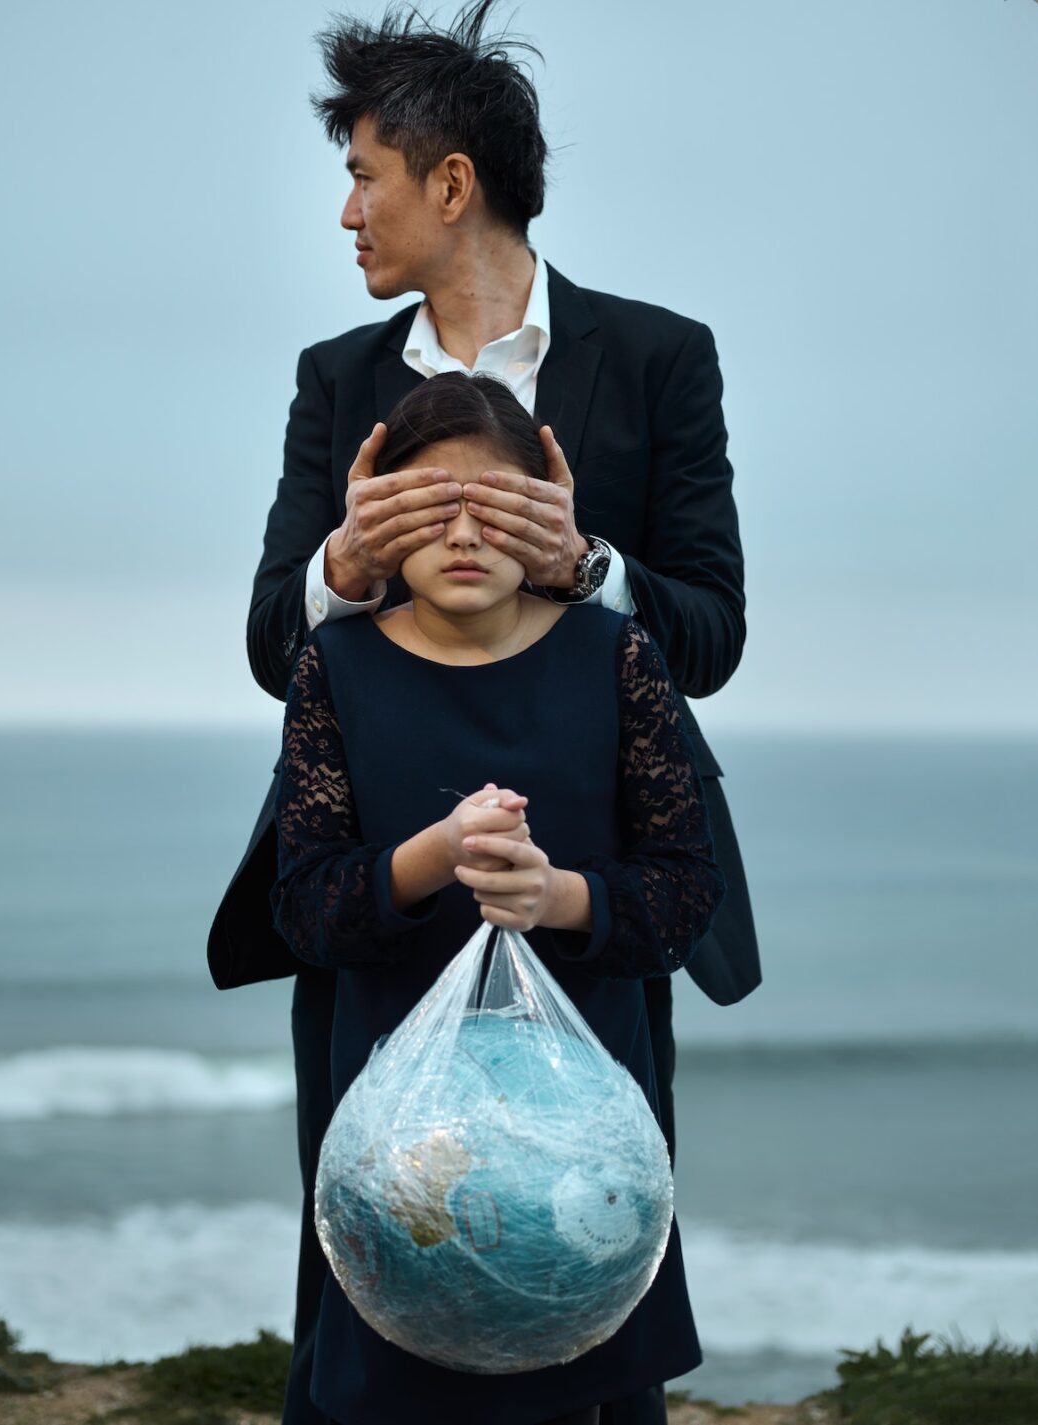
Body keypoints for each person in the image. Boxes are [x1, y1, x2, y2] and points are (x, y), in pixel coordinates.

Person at [206, 4, 760, 1421]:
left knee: (596, 1215)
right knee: (369, 1227)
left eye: (366, 175)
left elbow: (711, 635)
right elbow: (279, 643)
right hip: (375, 858)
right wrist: (345, 561)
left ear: (450, 183)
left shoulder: (655, 358)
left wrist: (585, 565)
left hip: (591, 869)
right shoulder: (336, 382)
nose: (347, 212)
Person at [274, 371, 725, 1425]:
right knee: (398, 1369)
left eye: (498, 503)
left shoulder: (617, 656)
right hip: (404, 1125)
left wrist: (560, 894)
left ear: (550, 508)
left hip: (579, 1122)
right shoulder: (332, 667)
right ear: (376, 513)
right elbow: (305, 907)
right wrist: (431, 857)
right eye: (432, 504)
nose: (465, 532)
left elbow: (683, 892)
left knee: (580, 1363)